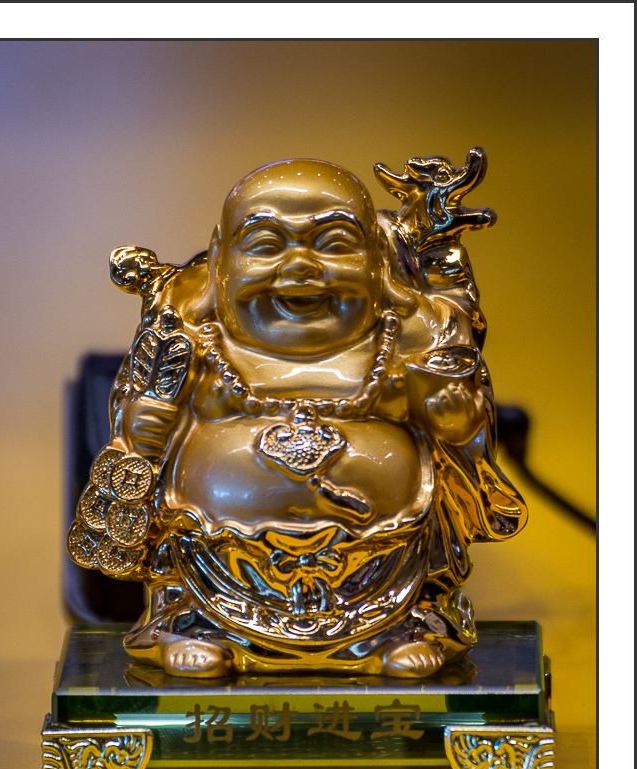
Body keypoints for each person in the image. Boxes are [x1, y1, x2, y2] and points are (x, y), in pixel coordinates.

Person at [69, 157, 526, 679]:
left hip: (383, 551)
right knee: (184, 570)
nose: (301, 266)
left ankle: (398, 631)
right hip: (217, 550)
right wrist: (143, 429)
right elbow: (139, 429)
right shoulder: (194, 343)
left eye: (334, 243)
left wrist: (450, 412)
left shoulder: (404, 341)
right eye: (266, 245)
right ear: (219, 261)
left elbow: (461, 432)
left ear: (379, 262)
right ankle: (196, 627)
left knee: (412, 589)